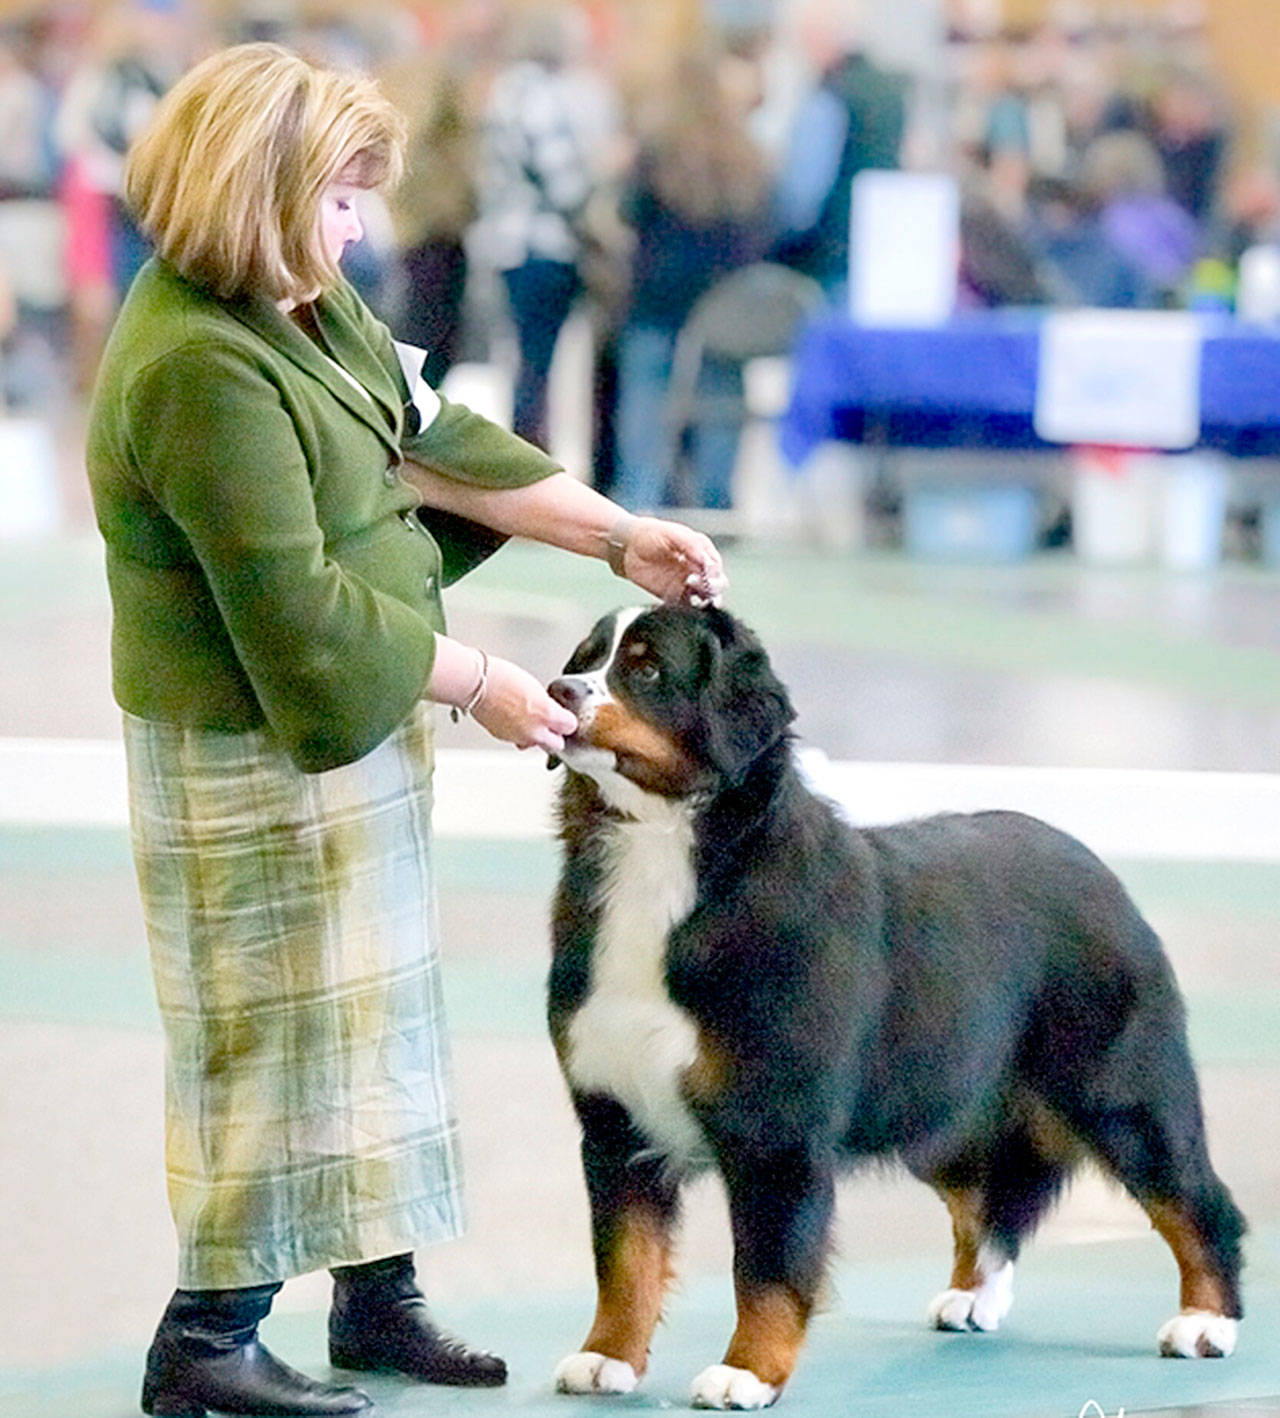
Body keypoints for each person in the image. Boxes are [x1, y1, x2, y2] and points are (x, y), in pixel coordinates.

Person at [84, 42, 725, 1418]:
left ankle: (375, 1300)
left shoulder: (301, 306)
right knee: (267, 1031)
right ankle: (206, 1339)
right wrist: (488, 681)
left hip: (356, 723)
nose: (361, 225)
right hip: (246, 747)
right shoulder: (195, 363)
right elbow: (296, 605)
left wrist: (619, 535)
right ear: (258, 192)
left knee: (368, 1022)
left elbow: (436, 440)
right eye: (338, 198)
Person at [611, 48, 771, 512]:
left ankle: (639, 502)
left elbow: (630, 210)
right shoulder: (748, 152)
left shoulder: (657, 148)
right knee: (721, 399)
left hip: (658, 296)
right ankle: (717, 503)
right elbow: (767, 222)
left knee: (647, 402)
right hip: (724, 300)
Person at [477, 4, 619, 447]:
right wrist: (602, 173)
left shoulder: (505, 89)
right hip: (541, 248)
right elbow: (563, 182)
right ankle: (531, 459)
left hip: (508, 243)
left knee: (525, 361)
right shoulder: (539, 94)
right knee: (538, 366)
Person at [771, 0, 906, 298]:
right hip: (878, 252)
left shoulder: (828, 96)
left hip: (826, 261)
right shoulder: (889, 89)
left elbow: (802, 198)